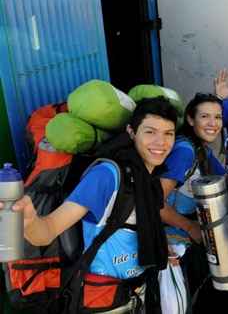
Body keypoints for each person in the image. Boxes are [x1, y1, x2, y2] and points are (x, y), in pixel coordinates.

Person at [0, 97, 179, 313]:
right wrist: (29, 222)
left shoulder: (149, 178)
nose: (161, 142)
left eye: (168, 133)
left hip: (137, 293)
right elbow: (46, 231)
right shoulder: (107, 176)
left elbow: (145, 223)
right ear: (132, 132)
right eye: (150, 132)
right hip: (102, 301)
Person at [160, 93, 228, 244]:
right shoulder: (185, 151)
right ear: (190, 119)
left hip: (183, 239)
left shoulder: (201, 149)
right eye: (204, 116)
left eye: (218, 117)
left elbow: (226, 183)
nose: (213, 123)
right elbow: (155, 201)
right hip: (170, 243)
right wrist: (190, 227)